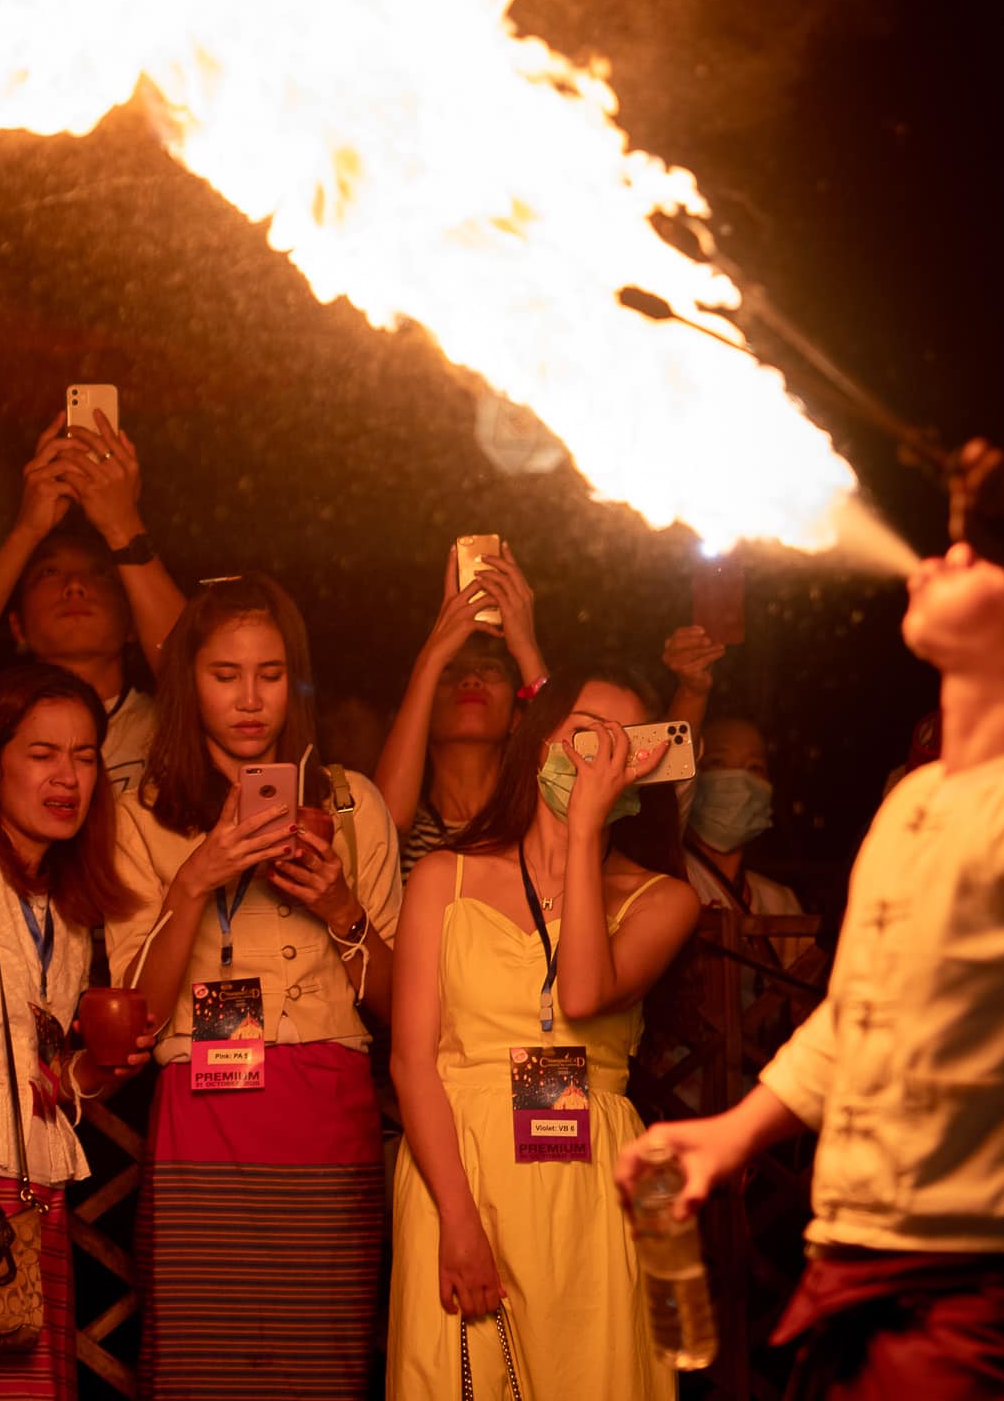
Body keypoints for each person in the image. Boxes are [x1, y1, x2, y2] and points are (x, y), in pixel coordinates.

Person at [617, 441, 1004, 1398]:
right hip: (859, 1261)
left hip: (998, 1275)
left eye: (986, 555)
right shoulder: (914, 806)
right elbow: (869, 1010)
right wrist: (735, 1131)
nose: (948, 551)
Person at [105, 573, 402, 1400]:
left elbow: (401, 1005)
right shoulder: (140, 814)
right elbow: (135, 1011)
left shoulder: (349, 803)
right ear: (186, 682)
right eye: (224, 675)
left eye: (270, 675)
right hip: (203, 1111)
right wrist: (194, 880)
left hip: (324, 1105)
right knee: (206, 1364)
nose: (249, 699)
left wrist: (340, 905)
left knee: (322, 1360)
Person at [387, 664, 701, 1401]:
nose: (599, 758)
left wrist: (586, 828)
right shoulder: (443, 877)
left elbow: (583, 991)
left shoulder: (664, 898)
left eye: (621, 747)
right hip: (458, 1169)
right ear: (537, 746)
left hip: (594, 1184)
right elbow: (412, 1064)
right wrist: (458, 1225)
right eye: (584, 735)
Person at [0, 663, 150, 1400]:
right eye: (42, 755)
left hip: (32, 1187)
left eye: (83, 757)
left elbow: (42, 1069)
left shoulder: (69, 906)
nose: (67, 777)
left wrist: (98, 1072)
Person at [0, 412, 188, 797]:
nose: (75, 586)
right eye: (49, 574)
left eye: (99, 574)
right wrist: (27, 531)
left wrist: (123, 525)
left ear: (131, 625)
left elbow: (200, 677)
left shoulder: (171, 728)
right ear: (18, 626)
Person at [376, 543, 547, 873]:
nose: (470, 680)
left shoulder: (540, 819)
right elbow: (387, 825)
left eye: (491, 669)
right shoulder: (398, 827)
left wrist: (526, 646)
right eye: (450, 671)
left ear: (516, 716)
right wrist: (432, 657)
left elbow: (572, 783)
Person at [684, 714, 812, 974]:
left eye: (754, 767)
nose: (739, 781)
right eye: (718, 762)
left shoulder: (780, 901)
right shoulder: (670, 880)